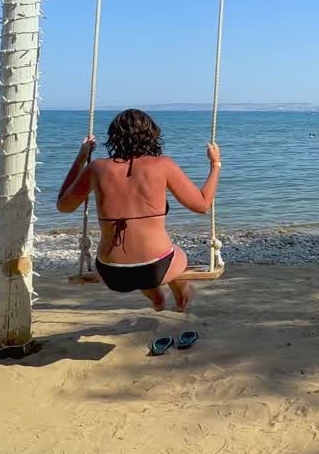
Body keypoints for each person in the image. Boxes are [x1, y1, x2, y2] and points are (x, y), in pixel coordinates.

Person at [56, 109, 220, 312]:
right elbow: (202, 205)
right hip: (155, 268)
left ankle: (157, 300)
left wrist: (81, 158)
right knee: (174, 255)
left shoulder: (96, 168)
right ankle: (182, 300)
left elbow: (64, 206)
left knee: (140, 261)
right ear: (152, 135)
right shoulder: (163, 165)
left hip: (111, 273)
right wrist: (215, 164)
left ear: (113, 137)